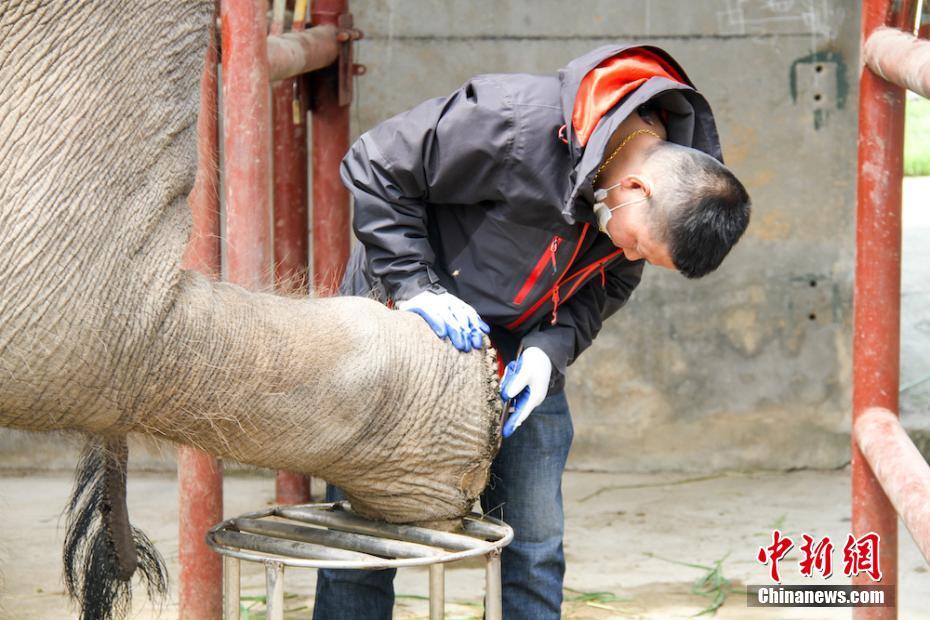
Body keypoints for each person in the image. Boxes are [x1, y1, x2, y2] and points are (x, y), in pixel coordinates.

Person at [314, 44, 751, 619]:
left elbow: (606, 287)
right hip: (406, 324)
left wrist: (550, 351)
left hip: (518, 353)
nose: (628, 254)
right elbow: (375, 165)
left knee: (536, 543)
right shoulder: (514, 122)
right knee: (364, 536)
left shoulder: (649, 199)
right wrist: (415, 285)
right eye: (638, 244)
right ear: (637, 189)